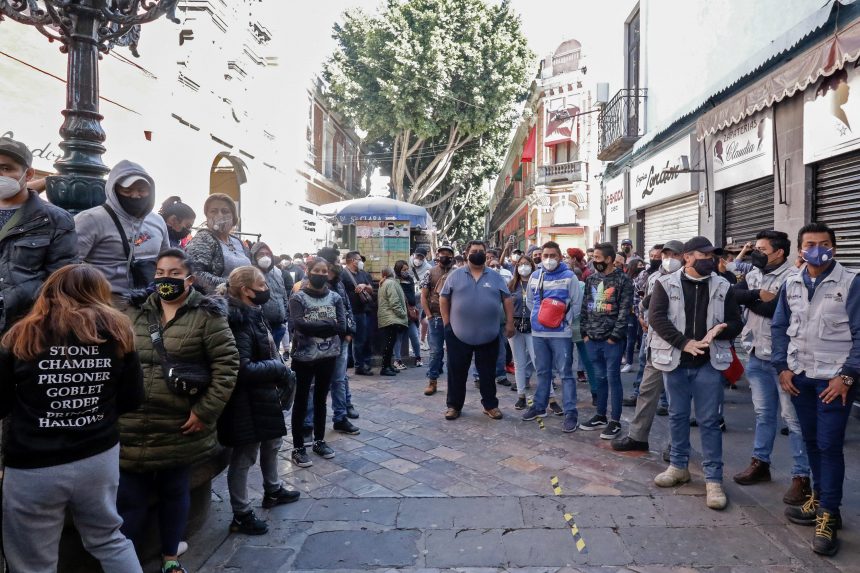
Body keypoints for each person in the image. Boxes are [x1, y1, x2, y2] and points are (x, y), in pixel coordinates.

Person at [0, 265, 144, 573]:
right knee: (109, 538)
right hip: (98, 455)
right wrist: (92, 412)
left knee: (31, 561)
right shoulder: (119, 334)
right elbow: (133, 398)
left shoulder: (21, 335)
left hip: (33, 464)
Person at [119, 248, 238, 573]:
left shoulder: (208, 315)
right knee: (129, 500)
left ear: (189, 279)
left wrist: (205, 412)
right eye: (160, 273)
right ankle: (125, 562)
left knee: (174, 493)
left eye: (173, 274)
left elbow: (227, 367)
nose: (165, 280)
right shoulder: (133, 312)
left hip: (180, 424)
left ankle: (170, 556)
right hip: (132, 424)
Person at [772, 222, 860, 556]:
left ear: (833, 248)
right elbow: (780, 326)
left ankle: (829, 515)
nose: (817, 249)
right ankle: (821, 499)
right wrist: (781, 367)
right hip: (801, 378)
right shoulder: (791, 282)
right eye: (811, 244)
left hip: (834, 382)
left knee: (829, 445)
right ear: (800, 250)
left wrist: (848, 376)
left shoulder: (851, 282)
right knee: (810, 441)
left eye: (824, 243)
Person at [649, 236, 743, 511]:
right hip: (676, 362)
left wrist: (721, 329)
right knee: (677, 416)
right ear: (688, 257)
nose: (711, 260)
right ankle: (678, 466)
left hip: (709, 364)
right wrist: (684, 343)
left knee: (709, 421)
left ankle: (713, 479)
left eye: (713, 256)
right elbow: (657, 318)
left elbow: (736, 321)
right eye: (704, 256)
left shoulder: (724, 285)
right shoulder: (665, 283)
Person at [731, 231, 811, 506]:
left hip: (785, 361)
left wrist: (751, 299)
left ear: (779, 252)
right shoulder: (754, 273)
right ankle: (760, 463)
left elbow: (776, 311)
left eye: (762, 248)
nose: (757, 252)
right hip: (755, 354)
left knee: (793, 419)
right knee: (763, 414)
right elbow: (734, 294)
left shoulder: (794, 277)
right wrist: (756, 296)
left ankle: (802, 477)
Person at [220, 266, 300, 537]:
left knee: (272, 443)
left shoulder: (253, 313)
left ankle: (273, 489)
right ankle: (241, 514)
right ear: (246, 290)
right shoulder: (237, 319)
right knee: (244, 456)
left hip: (263, 395)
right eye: (262, 285)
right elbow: (242, 368)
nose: (267, 289)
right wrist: (277, 368)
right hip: (246, 399)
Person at [0, 137, 77, 334]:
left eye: (7, 168)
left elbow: (62, 283)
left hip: (24, 329)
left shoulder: (55, 219)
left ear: (28, 174)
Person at [75, 160, 169, 307]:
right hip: (106, 304)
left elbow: (166, 258)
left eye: (142, 190)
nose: (135, 195)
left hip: (151, 302)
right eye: (127, 190)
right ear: (114, 190)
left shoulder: (158, 221)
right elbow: (68, 264)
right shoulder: (90, 219)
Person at [440, 240, 514, 421]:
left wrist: (510, 322)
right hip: (458, 334)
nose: (478, 253)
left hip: (488, 334)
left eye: (481, 251)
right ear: (466, 253)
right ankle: (454, 406)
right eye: (474, 251)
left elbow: (507, 299)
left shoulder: (495, 276)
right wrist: (447, 323)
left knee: (488, 373)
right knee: (456, 372)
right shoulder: (455, 275)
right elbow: (443, 297)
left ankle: (490, 405)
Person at [288, 257, 347, 467]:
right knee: (302, 401)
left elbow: (342, 326)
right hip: (304, 357)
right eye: (317, 270)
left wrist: (319, 325)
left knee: (321, 399)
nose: (321, 274)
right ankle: (298, 447)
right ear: (308, 271)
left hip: (328, 355)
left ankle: (319, 441)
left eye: (325, 271)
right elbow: (299, 325)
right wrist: (328, 324)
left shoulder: (335, 297)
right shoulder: (298, 298)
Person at [521, 241, 582, 433]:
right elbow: (531, 302)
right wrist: (541, 318)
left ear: (559, 256)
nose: (548, 259)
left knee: (565, 373)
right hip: (539, 332)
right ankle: (539, 406)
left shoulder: (569, 277)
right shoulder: (535, 276)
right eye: (545, 255)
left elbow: (577, 303)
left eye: (552, 255)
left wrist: (562, 321)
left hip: (561, 334)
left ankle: (570, 412)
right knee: (542, 371)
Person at [302, 248, 359, 440]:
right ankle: (307, 424)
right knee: (312, 384)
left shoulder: (339, 283)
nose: (337, 263)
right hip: (314, 343)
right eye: (335, 260)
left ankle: (340, 417)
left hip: (340, 340)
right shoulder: (305, 287)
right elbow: (302, 319)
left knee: (339, 380)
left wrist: (349, 332)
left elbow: (346, 308)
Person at [579, 242, 633, 439]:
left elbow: (624, 311)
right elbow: (585, 307)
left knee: (613, 379)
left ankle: (615, 421)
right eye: (593, 258)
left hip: (611, 341)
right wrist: (584, 333)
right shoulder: (591, 279)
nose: (595, 261)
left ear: (609, 259)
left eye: (598, 258)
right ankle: (600, 415)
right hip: (592, 339)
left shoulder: (623, 280)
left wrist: (614, 337)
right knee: (599, 378)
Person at [185, 193, 251, 294]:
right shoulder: (203, 239)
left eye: (225, 211)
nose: (219, 215)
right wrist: (232, 287)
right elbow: (195, 274)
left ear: (233, 217)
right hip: (216, 305)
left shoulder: (238, 242)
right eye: (213, 211)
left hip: (244, 303)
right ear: (207, 216)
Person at [624, 245, 664, 401]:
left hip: (667, 328)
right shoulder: (646, 275)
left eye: (658, 256)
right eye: (652, 256)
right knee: (643, 360)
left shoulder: (676, 276)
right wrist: (640, 316)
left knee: (666, 365)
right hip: (648, 326)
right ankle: (638, 393)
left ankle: (664, 400)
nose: (655, 259)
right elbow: (639, 298)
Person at [420, 244, 455, 396]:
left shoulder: (457, 273)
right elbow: (423, 295)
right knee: (435, 351)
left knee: (454, 352)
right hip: (435, 317)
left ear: (452, 256)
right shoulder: (430, 272)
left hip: (454, 318)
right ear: (437, 255)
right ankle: (432, 381)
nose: (444, 256)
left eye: (447, 253)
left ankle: (454, 383)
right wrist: (428, 315)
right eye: (442, 253)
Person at [508, 254, 536, 409]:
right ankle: (521, 395)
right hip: (516, 325)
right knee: (519, 363)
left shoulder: (537, 282)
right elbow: (505, 306)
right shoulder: (511, 285)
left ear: (532, 266)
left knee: (538, 361)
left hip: (534, 326)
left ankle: (550, 397)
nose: (523, 267)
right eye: (521, 264)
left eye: (527, 264)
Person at [251, 242, 290, 348]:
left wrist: (285, 316)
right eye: (261, 254)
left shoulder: (277, 273)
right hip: (261, 329)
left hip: (279, 326)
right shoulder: (251, 273)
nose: (265, 257)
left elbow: (283, 295)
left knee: (275, 355)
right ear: (254, 256)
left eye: (268, 254)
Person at [342, 251, 374, 375]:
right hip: (351, 311)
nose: (360, 261)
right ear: (351, 260)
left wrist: (364, 286)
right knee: (356, 340)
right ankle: (359, 366)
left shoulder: (363, 274)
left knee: (364, 338)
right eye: (358, 259)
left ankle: (362, 363)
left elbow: (371, 289)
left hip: (364, 310)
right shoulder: (343, 274)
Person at [377, 266, 408, 376]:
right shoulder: (390, 283)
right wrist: (403, 314)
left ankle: (388, 366)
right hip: (392, 318)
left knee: (389, 343)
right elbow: (394, 302)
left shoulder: (385, 283)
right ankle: (385, 367)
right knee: (389, 344)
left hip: (388, 318)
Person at [393, 259, 422, 370]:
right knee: (398, 337)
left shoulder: (410, 279)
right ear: (398, 270)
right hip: (400, 313)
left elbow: (412, 295)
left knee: (414, 335)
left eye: (407, 269)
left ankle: (418, 357)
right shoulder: (395, 281)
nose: (406, 271)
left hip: (410, 313)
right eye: (403, 269)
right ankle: (398, 360)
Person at [621, 257, 646, 373]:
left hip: (642, 312)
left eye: (642, 264)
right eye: (638, 265)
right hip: (631, 312)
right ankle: (629, 362)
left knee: (642, 338)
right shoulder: (628, 279)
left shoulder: (645, 277)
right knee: (630, 339)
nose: (641, 267)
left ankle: (644, 363)